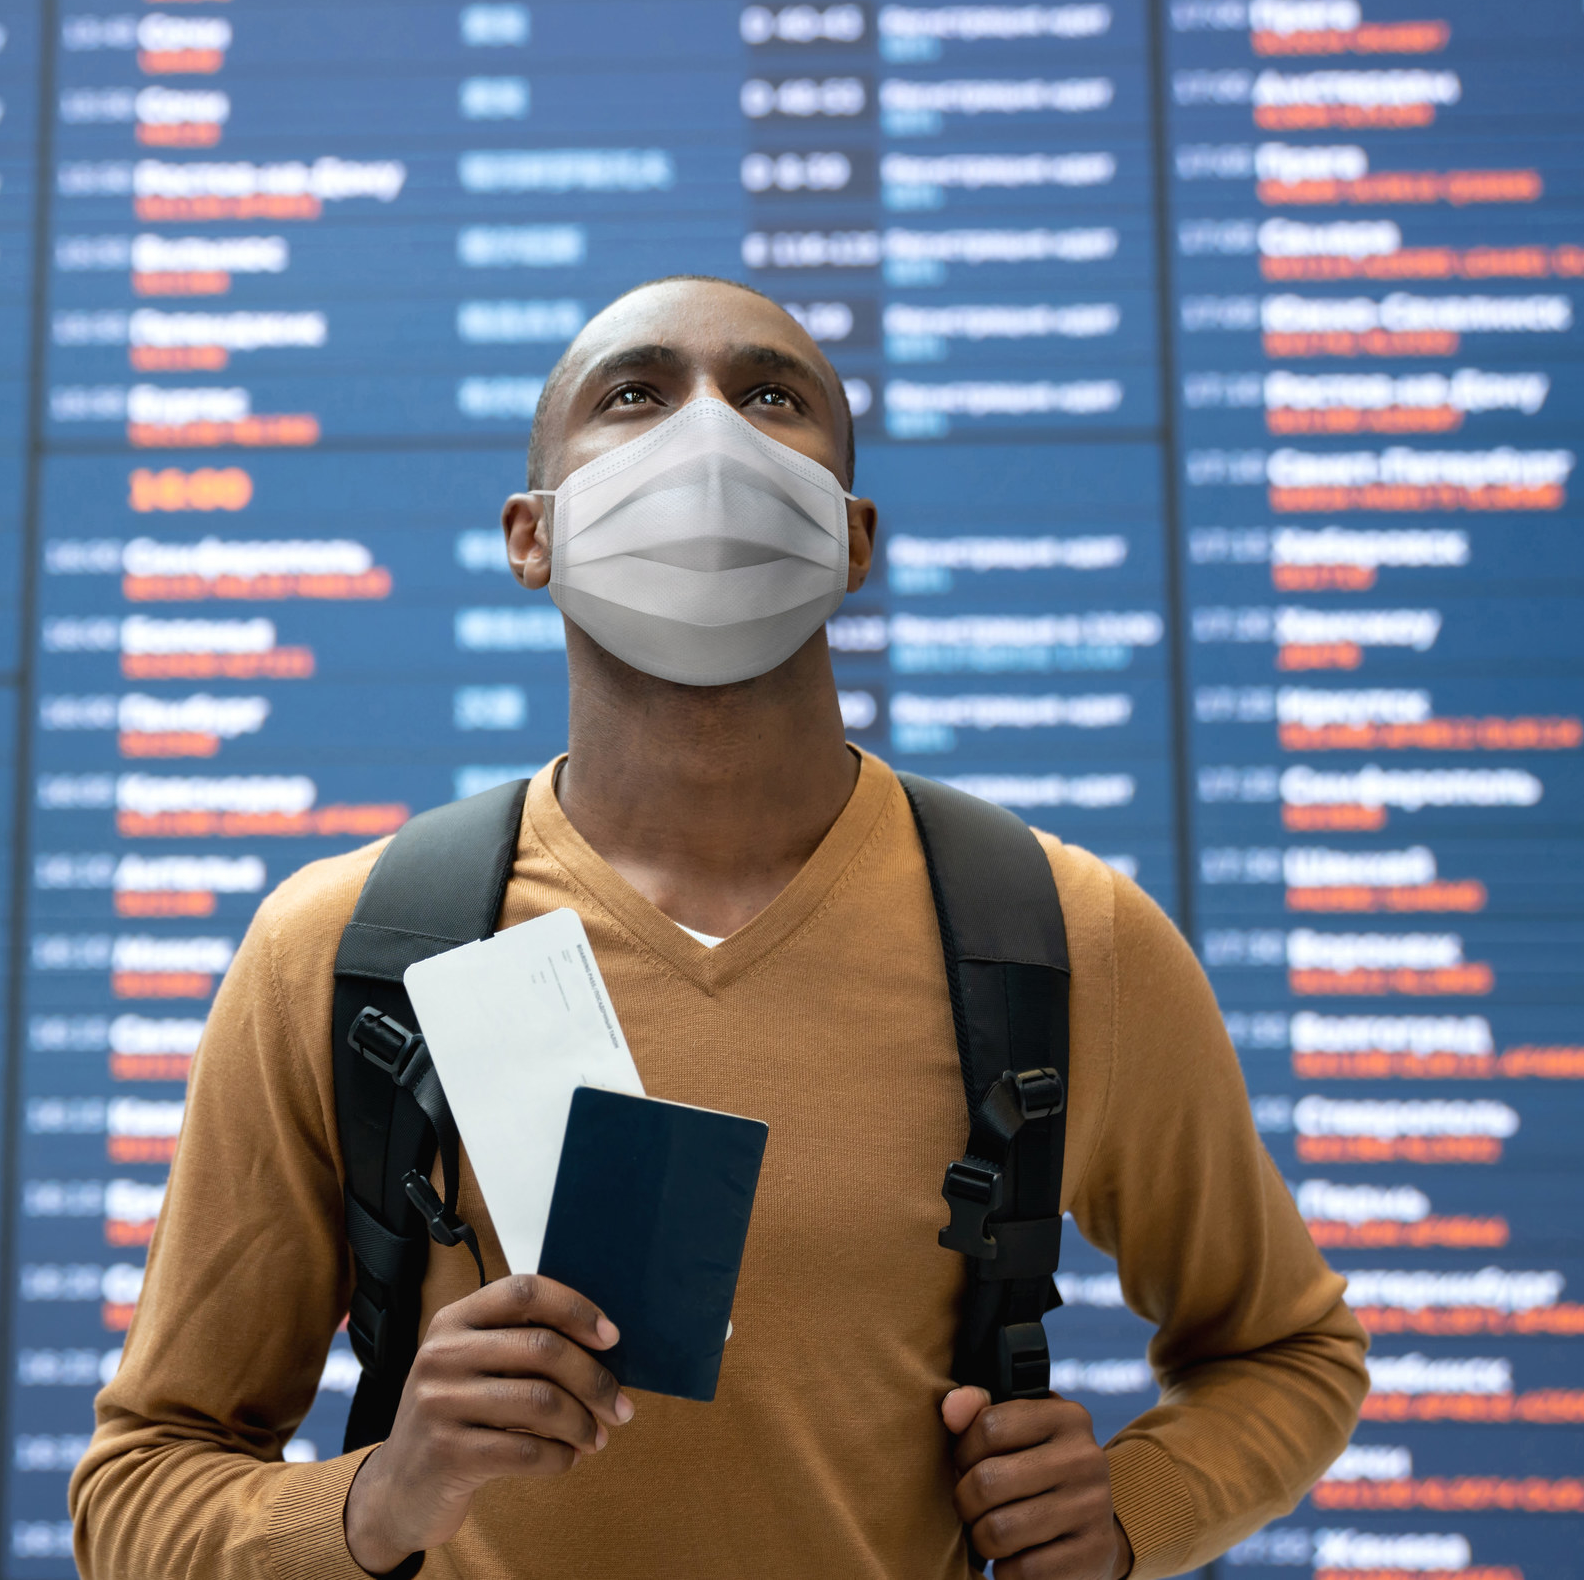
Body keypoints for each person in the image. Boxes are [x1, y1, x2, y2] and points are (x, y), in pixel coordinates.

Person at [72, 277, 1368, 1579]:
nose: (710, 439)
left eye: (770, 397)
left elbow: (1291, 1353)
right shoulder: (348, 954)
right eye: (633, 395)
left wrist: (1135, 1511)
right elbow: (138, 1488)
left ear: (852, 539)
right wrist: (377, 1502)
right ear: (532, 535)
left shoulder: (1063, 940)